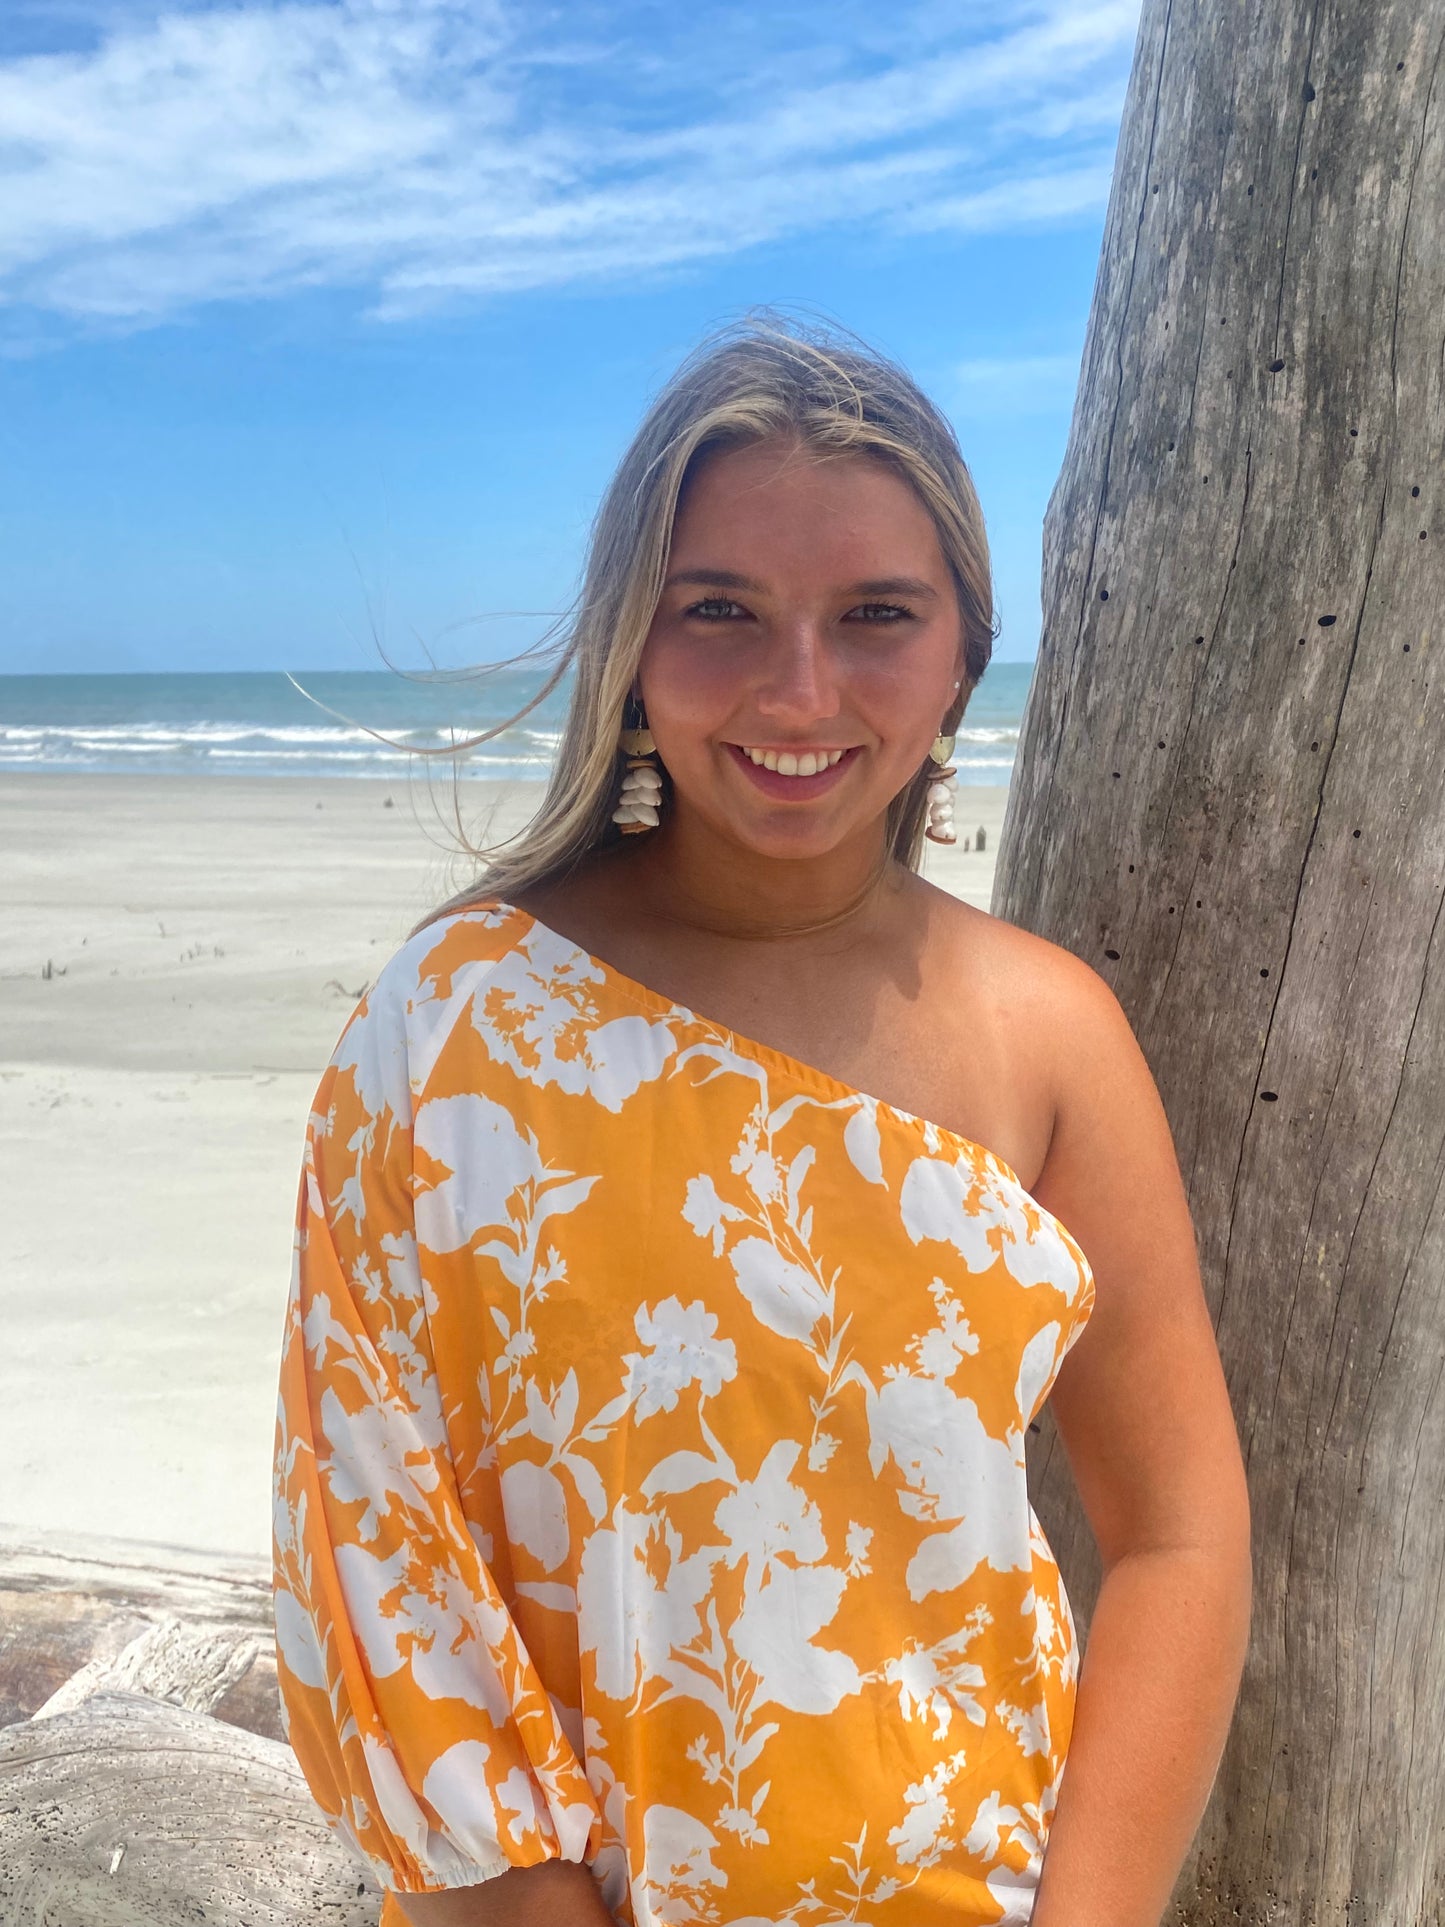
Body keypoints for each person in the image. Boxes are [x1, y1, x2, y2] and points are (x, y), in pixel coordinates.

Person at [272, 317, 1251, 1927]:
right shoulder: (456, 1023)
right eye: (718, 611)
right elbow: (381, 1559)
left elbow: (1178, 1533)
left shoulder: (1048, 1035)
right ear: (631, 652)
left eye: (876, 616)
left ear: (960, 658)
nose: (799, 689)